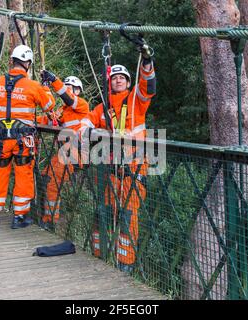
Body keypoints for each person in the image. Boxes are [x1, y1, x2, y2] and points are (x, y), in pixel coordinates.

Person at [79, 45, 156, 272]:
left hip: (134, 167)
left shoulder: (136, 101)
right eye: (115, 78)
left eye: (123, 77)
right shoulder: (103, 107)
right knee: (104, 210)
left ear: (129, 82)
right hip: (111, 167)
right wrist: (87, 131)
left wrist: (146, 60)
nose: (119, 80)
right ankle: (101, 255)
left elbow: (148, 86)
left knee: (128, 215)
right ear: (109, 82)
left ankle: (126, 263)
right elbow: (87, 121)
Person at [0, 45, 56, 228]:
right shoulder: (32, 85)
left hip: (0, 138)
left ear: (12, 61)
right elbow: (49, 106)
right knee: (23, 175)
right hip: (23, 139)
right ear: (28, 64)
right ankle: (19, 216)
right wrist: (45, 88)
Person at [37, 72, 89, 228]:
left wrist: (54, 80)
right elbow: (47, 120)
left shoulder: (81, 104)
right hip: (65, 154)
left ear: (78, 90)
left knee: (51, 181)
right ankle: (47, 215)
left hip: (77, 154)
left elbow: (68, 97)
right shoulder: (62, 110)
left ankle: (50, 220)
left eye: (71, 88)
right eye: (66, 87)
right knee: (46, 177)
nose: (67, 90)